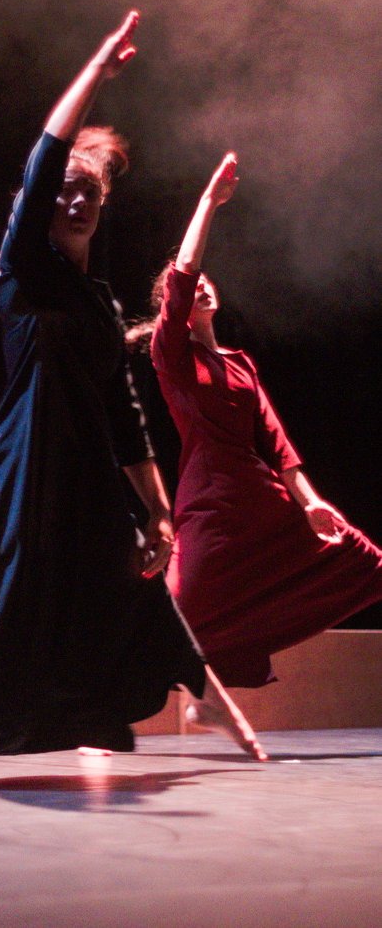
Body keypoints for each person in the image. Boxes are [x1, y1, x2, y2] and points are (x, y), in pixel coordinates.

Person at [0, 12, 265, 793]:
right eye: (63, 193)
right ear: (41, 205)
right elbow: (44, 156)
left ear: (102, 207)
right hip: (19, 465)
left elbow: (123, 413)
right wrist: (98, 67)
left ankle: (190, 700)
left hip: (83, 476)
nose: (74, 202)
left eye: (88, 194)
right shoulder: (23, 277)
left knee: (129, 590)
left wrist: (157, 508)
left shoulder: (98, 303)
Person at [149, 152, 382, 687]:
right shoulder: (172, 356)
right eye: (191, 286)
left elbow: (278, 445)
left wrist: (311, 502)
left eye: (208, 282)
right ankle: (150, 694)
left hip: (257, 496)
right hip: (208, 499)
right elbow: (183, 274)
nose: (201, 286)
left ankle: (207, 687)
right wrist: (208, 203)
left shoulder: (240, 363)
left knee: (360, 560)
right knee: (180, 609)